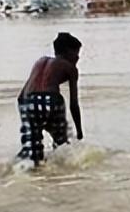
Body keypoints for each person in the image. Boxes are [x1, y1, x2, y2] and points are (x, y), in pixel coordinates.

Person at [18, 32, 83, 165]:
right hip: (52, 100)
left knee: (31, 148)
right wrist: (79, 131)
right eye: (76, 53)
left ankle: (31, 166)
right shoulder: (70, 68)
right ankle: (61, 169)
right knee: (62, 144)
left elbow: (21, 96)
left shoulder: (40, 62)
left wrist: (27, 118)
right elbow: (74, 104)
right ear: (67, 52)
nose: (78, 57)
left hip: (28, 102)